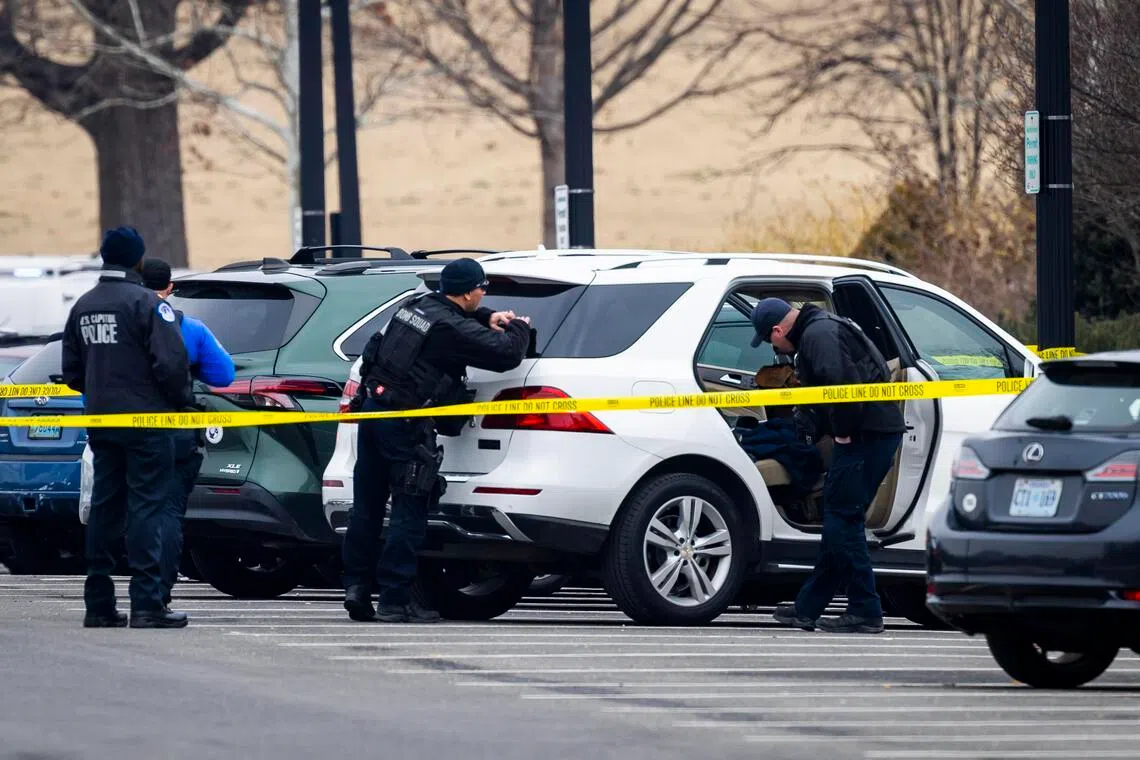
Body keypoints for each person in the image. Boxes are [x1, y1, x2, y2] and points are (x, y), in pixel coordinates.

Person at [342, 258, 532, 623]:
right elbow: (507, 354)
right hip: (407, 424)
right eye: (482, 288)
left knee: (366, 508)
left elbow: (447, 318)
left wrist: (485, 315)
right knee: (408, 509)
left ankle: (357, 589)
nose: (484, 293)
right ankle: (394, 600)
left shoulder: (413, 306)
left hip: (372, 412)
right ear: (466, 292)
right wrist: (519, 328)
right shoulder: (451, 329)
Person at [62, 227, 196, 629]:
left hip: (102, 421)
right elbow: (172, 365)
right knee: (147, 508)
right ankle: (148, 604)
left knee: (105, 508)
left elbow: (71, 371)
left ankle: (99, 604)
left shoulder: (83, 306)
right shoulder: (147, 304)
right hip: (147, 422)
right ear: (138, 259)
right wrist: (178, 400)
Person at [749, 297, 906, 634]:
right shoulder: (819, 329)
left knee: (842, 521)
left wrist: (844, 432)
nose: (773, 348)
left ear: (778, 330)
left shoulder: (817, 335)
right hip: (871, 433)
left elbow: (841, 386)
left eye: (768, 339)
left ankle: (865, 609)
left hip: (865, 436)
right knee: (839, 520)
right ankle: (809, 607)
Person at [141, 258, 235, 611]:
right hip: (175, 431)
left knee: (133, 512)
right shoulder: (188, 328)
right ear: (169, 288)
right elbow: (223, 375)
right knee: (167, 513)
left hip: (123, 431)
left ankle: (110, 596)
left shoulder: (122, 328)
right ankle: (156, 597)